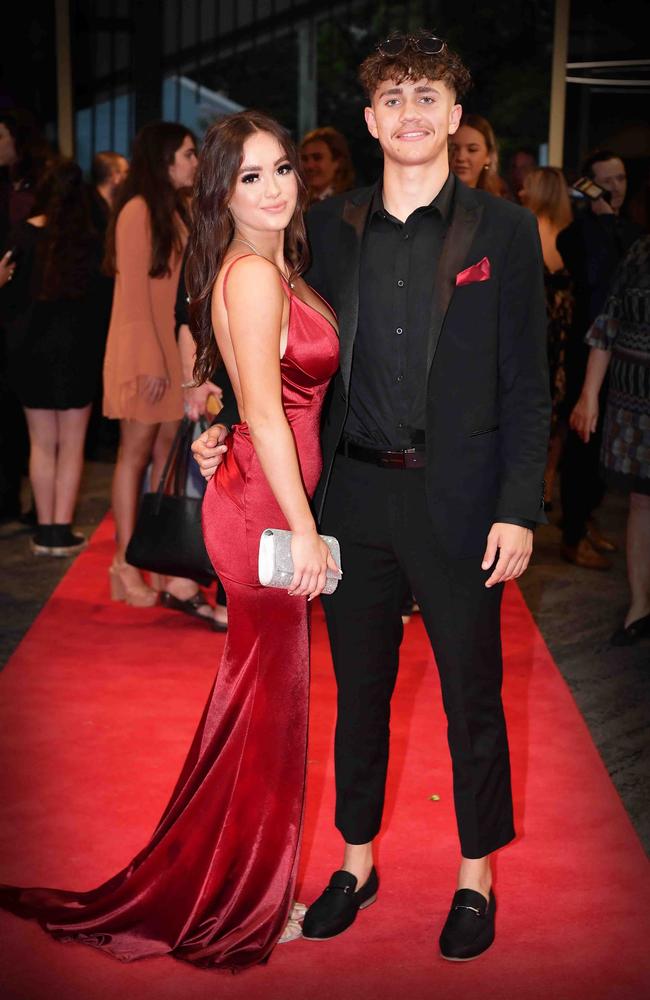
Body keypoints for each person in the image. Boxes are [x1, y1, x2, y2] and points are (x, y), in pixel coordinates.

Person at [194, 30, 549, 961]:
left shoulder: (504, 233)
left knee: (473, 698)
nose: (411, 114)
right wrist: (221, 419)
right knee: (358, 697)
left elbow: (528, 383)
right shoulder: (330, 227)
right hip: (351, 501)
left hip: (465, 503)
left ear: (456, 116)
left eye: (428, 97)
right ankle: (356, 861)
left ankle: (477, 877)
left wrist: (519, 505)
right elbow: (275, 343)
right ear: (369, 119)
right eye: (393, 99)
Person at [0, 110, 339, 968]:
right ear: (223, 190)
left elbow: (240, 391)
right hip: (266, 511)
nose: (272, 188)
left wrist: (217, 428)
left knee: (256, 708)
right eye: (250, 176)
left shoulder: (271, 265)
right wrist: (304, 531)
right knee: (270, 710)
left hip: (260, 490)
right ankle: (243, 899)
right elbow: (267, 407)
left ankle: (238, 877)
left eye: (282, 169)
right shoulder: (255, 276)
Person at [102, 121, 216, 616]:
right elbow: (131, 296)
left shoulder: (178, 210)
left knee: (168, 453)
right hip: (141, 351)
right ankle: (125, 565)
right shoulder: (136, 210)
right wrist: (151, 360)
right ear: (165, 158)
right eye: (189, 154)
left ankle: (162, 561)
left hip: (173, 351)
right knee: (136, 453)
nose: (195, 162)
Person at [1, 158, 104, 555]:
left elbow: (7, 293)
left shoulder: (23, 236)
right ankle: (62, 530)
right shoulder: (90, 241)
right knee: (72, 443)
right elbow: (102, 303)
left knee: (41, 443)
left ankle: (45, 531)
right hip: (78, 352)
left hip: (29, 352)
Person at [557, 149, 643, 569]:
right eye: (605, 180)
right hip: (586, 351)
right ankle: (572, 533)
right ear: (586, 185)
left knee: (603, 448)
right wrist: (603, 220)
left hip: (625, 358)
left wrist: (613, 223)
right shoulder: (577, 234)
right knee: (582, 445)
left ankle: (586, 520)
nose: (614, 187)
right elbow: (599, 277)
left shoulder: (632, 232)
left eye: (621, 178)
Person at [569, 234, 650, 645]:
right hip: (635, 401)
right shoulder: (639, 251)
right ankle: (640, 605)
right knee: (640, 500)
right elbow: (607, 325)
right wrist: (589, 394)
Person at [520, 166, 574, 507]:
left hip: (538, 335)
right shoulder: (569, 234)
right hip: (564, 338)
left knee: (535, 413)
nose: (522, 192)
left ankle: (534, 489)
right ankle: (546, 485)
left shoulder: (523, 229)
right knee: (556, 414)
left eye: (527, 186)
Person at [449, 112, 510, 198]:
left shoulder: (500, 207)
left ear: (488, 155)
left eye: (472, 150)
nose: (461, 157)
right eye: (454, 149)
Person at [300, 126, 355, 204]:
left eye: (317, 158)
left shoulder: (351, 204)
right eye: (305, 159)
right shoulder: (299, 202)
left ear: (338, 162)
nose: (309, 165)